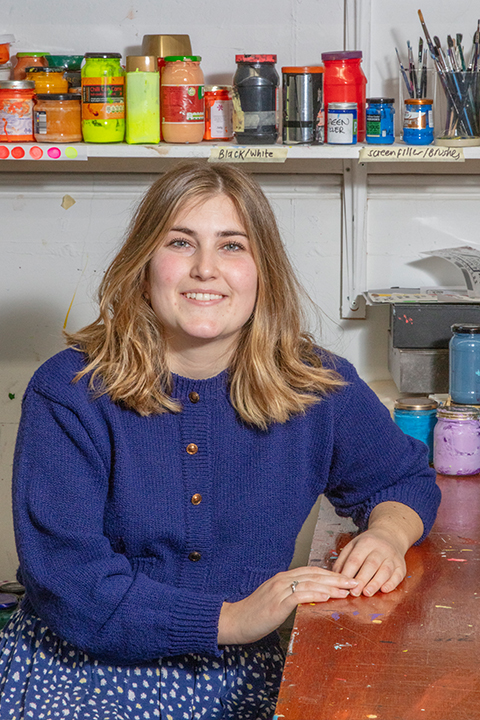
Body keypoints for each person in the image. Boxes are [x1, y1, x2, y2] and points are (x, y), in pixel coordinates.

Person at [0, 162, 440, 720]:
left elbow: (401, 478)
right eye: (181, 243)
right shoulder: (70, 390)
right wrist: (231, 619)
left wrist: (388, 536)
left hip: (235, 672)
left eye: (232, 246)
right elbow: (68, 581)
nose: (206, 269)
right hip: (81, 667)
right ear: (144, 265)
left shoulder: (315, 384)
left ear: (263, 271)